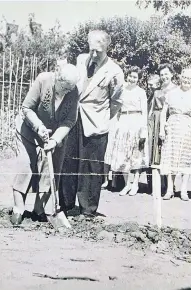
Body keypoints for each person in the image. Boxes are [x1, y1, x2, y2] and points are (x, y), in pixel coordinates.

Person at [59, 30, 124, 217]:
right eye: (91, 50)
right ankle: (66, 205)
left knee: (91, 166)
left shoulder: (115, 71)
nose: (94, 54)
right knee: (68, 161)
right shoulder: (80, 60)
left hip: (96, 122)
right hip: (73, 118)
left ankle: (88, 210)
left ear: (107, 48)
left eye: (99, 51)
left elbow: (117, 102)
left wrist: (102, 116)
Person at [10, 64, 79, 226]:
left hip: (54, 135)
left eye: (71, 87)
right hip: (29, 130)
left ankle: (39, 210)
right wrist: (39, 127)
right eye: (65, 86)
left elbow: (70, 120)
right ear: (57, 76)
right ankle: (18, 209)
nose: (67, 90)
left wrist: (55, 139)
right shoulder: (43, 80)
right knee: (26, 167)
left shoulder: (73, 91)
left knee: (51, 170)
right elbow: (27, 108)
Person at [159, 68, 191, 201]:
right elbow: (163, 113)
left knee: (186, 159)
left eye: (189, 79)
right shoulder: (172, 93)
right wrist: (162, 129)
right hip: (173, 129)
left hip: (190, 130)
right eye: (184, 78)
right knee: (170, 157)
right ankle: (169, 189)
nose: (186, 81)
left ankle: (184, 190)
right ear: (180, 78)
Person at [106, 67, 148, 196]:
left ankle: (135, 184)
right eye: (130, 76)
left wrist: (143, 130)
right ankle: (126, 184)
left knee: (136, 154)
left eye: (135, 77)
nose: (132, 79)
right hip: (123, 121)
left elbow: (144, 112)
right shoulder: (122, 90)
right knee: (123, 154)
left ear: (138, 79)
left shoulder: (141, 92)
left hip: (136, 121)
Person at [147, 64, 177, 194]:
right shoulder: (157, 91)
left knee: (168, 151)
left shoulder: (176, 90)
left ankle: (170, 185)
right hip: (155, 121)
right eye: (162, 74)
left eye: (166, 74)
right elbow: (152, 108)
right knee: (155, 151)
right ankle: (156, 185)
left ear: (171, 74)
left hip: (170, 120)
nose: (164, 76)